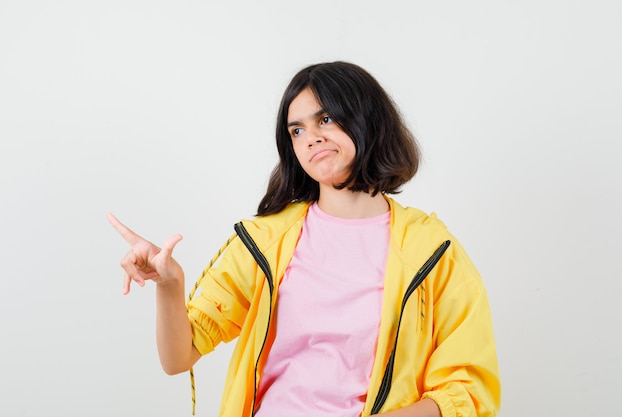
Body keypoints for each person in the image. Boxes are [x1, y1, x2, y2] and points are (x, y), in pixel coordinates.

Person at [109, 61, 501, 417]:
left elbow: (468, 391)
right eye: (297, 130)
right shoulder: (266, 240)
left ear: (367, 120)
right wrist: (170, 284)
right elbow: (178, 358)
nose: (310, 137)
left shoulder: (433, 251)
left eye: (326, 119)